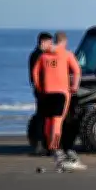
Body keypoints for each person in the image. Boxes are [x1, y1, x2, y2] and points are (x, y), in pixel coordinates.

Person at [31, 31, 83, 169]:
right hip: (61, 92)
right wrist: (74, 86)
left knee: (48, 121)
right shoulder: (66, 54)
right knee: (57, 122)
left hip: (47, 91)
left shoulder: (44, 55)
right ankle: (56, 148)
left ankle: (50, 146)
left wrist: (39, 87)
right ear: (64, 41)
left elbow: (35, 73)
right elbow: (77, 71)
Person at [28, 31, 53, 156]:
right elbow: (37, 74)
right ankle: (40, 143)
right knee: (42, 117)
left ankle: (43, 143)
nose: (51, 45)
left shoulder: (39, 55)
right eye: (49, 42)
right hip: (42, 89)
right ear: (43, 42)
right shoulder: (38, 55)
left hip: (42, 89)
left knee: (43, 116)